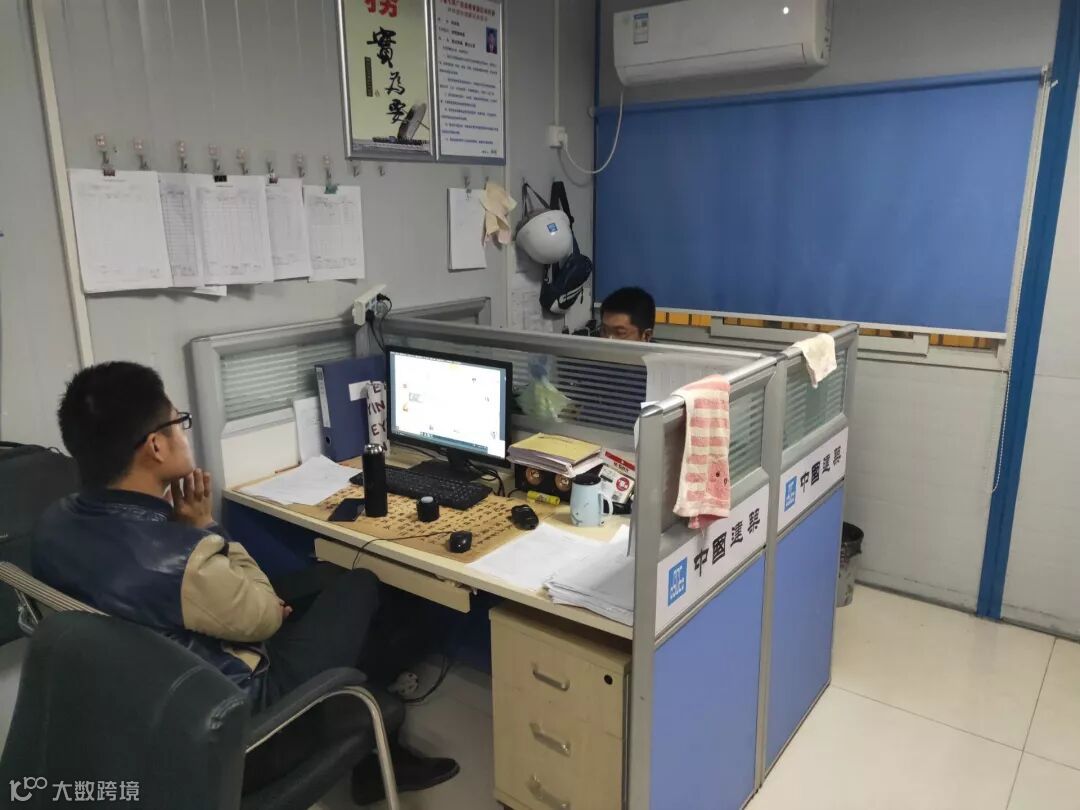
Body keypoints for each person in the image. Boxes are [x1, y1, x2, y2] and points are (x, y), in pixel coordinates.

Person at [33, 361, 458, 803]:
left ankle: (374, 741)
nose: (184, 433)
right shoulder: (178, 559)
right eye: (179, 422)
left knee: (328, 582)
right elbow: (267, 614)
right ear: (156, 446)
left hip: (143, 715)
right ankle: (374, 741)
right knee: (362, 584)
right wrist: (204, 527)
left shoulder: (53, 526)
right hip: (237, 722)